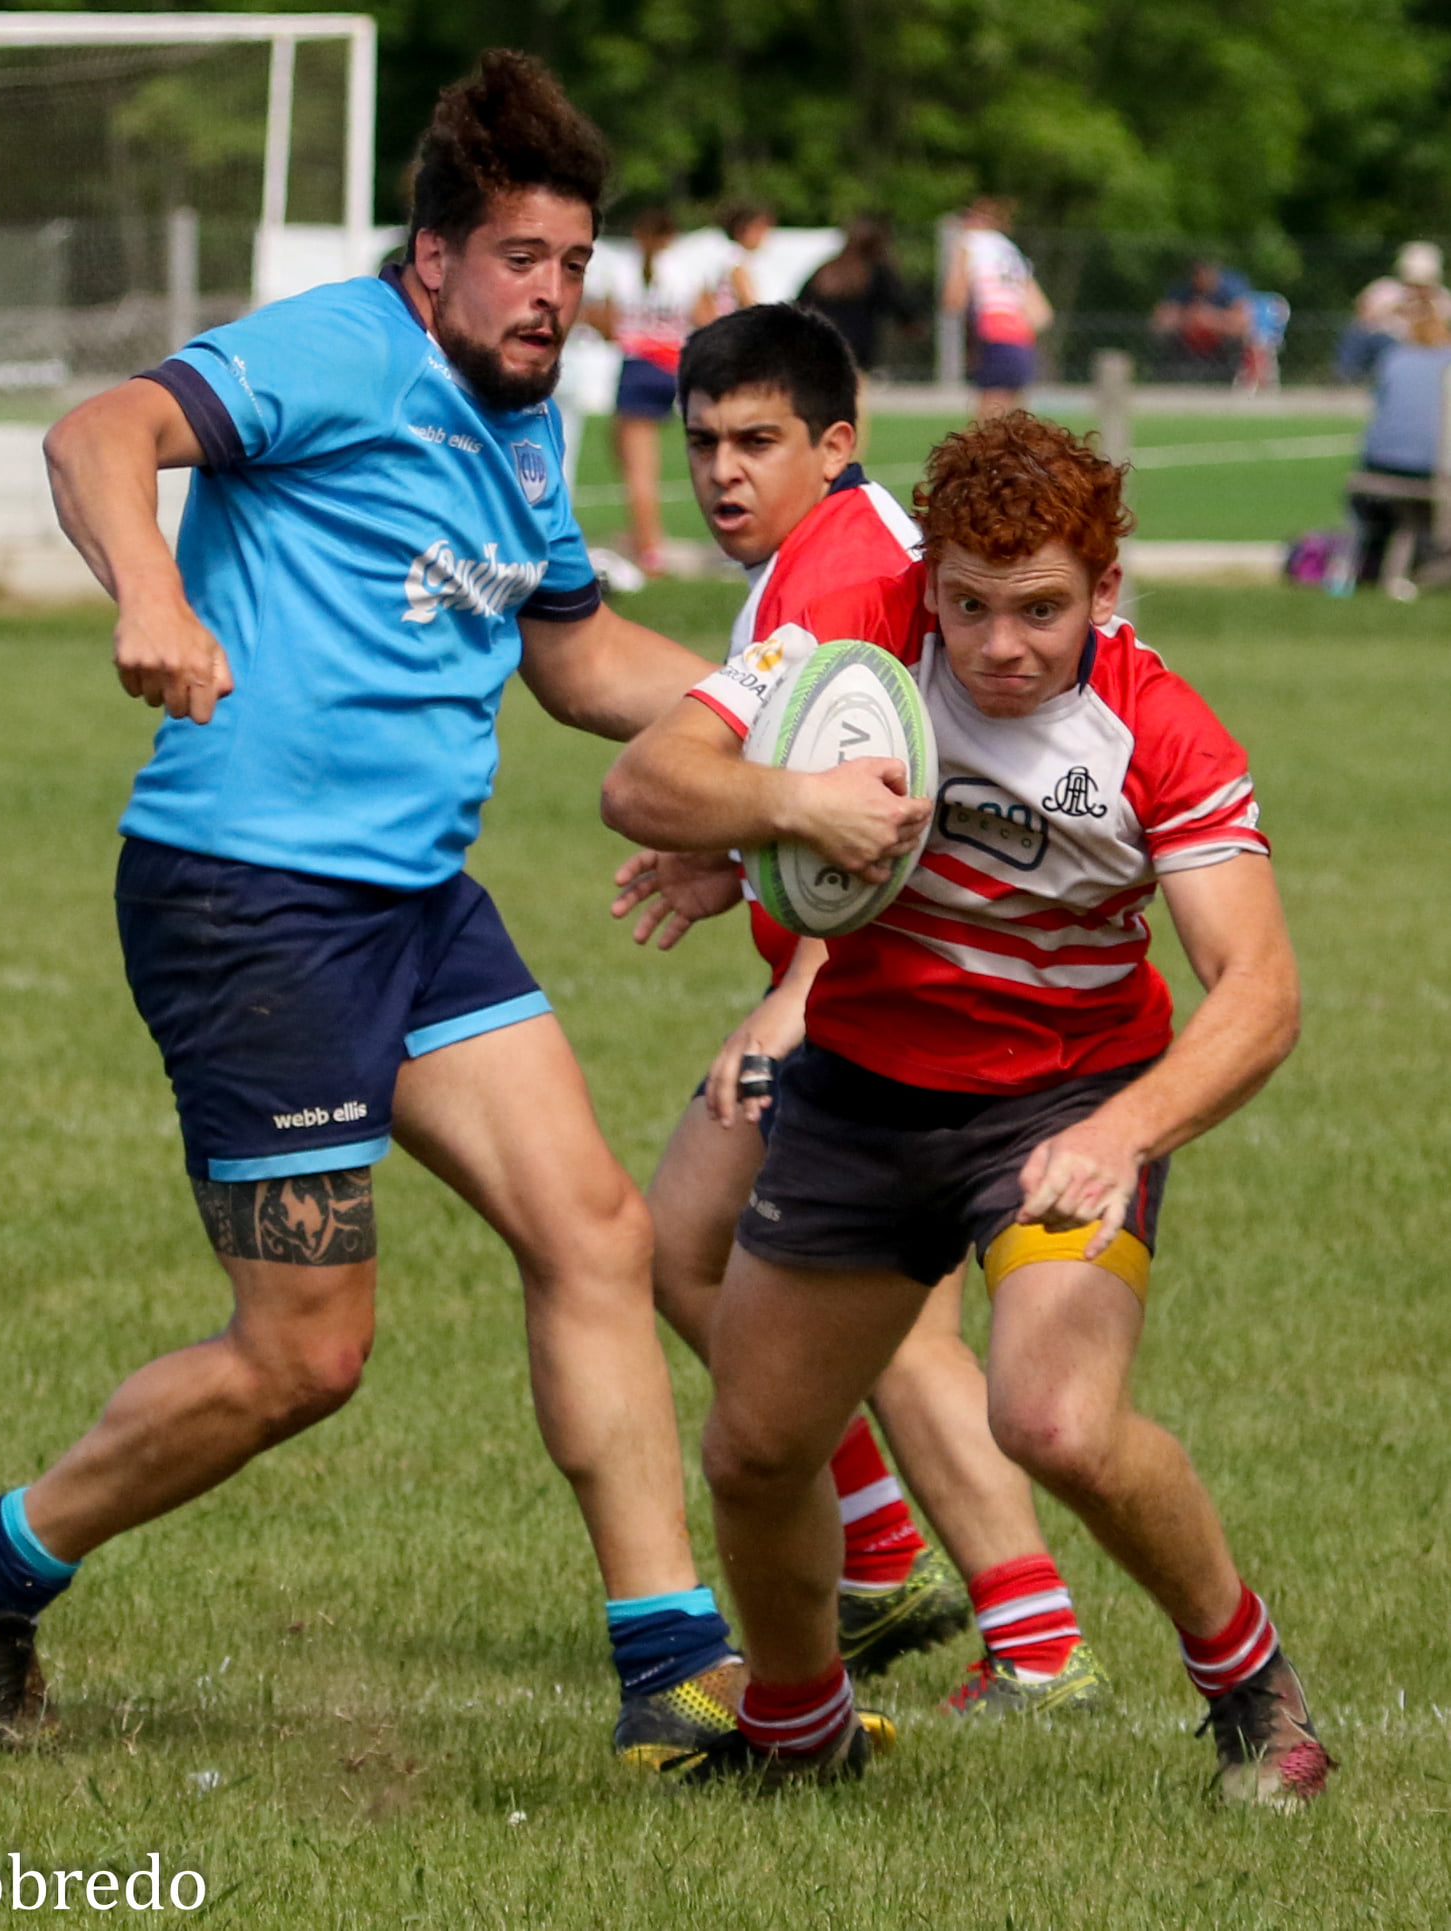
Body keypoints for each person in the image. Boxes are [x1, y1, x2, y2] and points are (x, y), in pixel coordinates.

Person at [0, 49, 748, 1771]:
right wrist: (147, 590)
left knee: (592, 1233)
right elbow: (99, 428)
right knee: (306, 1354)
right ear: (431, 256)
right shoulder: (335, 350)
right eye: (521, 260)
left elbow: (571, 657)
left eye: (574, 266)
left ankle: (674, 1676)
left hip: (415, 901)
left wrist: (778, 709)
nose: (552, 298)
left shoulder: (522, 424)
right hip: (251, 904)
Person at [601, 411, 1333, 1807]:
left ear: (1103, 591)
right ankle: (801, 1725)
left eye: (1041, 609)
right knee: (754, 1448)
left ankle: (1250, 1684)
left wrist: (1121, 1131)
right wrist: (778, 809)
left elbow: (1257, 993)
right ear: (926, 576)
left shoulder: (1156, 728)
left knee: (1052, 1418)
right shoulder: (853, 641)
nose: (998, 644)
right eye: (969, 604)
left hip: (1064, 1101)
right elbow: (641, 781)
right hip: (863, 1096)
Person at [611, 305, 1111, 1718]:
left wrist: (796, 987)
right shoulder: (828, 554)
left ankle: (1028, 1631)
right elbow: (857, 770)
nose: (719, 471)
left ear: (835, 443)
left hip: (904, 1000)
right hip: (897, 982)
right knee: (688, 1245)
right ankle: (887, 1555)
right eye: (701, 440)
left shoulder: (834, 575)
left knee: (875, 1316)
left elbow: (918, 798)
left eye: (754, 441)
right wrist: (744, 859)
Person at [590, 207, 701, 576]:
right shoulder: (686, 271)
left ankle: (649, 548)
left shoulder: (621, 269)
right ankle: (641, 534)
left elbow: (609, 326)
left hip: (639, 366)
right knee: (624, 450)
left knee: (638, 470)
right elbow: (706, 317)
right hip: (674, 365)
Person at [1346, 290, 1451, 586]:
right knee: (1414, 516)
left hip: (1377, 468)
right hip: (1428, 473)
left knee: (1407, 519)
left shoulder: (1393, 358)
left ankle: (1370, 570)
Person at [941, 198, 1051, 418]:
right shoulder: (1010, 251)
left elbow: (953, 300)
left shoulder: (970, 243)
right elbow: (1042, 314)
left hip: (992, 335)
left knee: (986, 430)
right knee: (1015, 425)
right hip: (1021, 340)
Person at [797, 216, 922, 376]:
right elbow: (895, 301)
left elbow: (802, 302)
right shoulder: (874, 271)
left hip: (821, 337)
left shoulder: (826, 269)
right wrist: (912, 323)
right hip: (858, 341)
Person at [1340, 241, 1451, 383]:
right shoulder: (1387, 289)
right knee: (1358, 333)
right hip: (1383, 339)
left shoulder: (1440, 297)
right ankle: (1347, 377)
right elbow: (1363, 315)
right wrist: (1394, 308)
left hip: (1416, 345)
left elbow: (1441, 331)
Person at [1151, 259, 1251, 382]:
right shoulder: (1182, 290)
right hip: (1188, 340)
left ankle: (1228, 378)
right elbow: (1160, 322)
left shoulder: (1230, 289)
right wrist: (1189, 317)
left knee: (1235, 340)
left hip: (1219, 342)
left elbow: (1242, 324)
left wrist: (1211, 320)